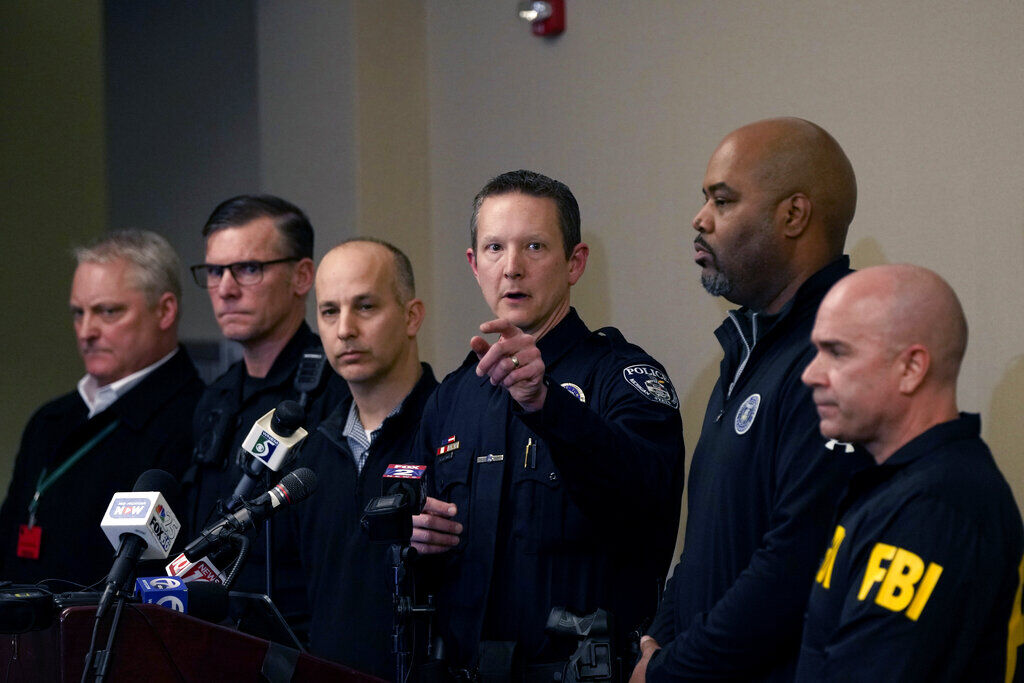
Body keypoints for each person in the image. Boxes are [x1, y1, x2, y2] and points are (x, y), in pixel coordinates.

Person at [412, 170, 686, 674]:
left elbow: (648, 501)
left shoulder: (624, 376)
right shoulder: (451, 397)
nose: (512, 268)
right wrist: (417, 539)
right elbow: (418, 546)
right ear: (474, 265)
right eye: (494, 248)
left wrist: (548, 405)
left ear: (574, 262)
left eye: (534, 246)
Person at [633, 118, 868, 682]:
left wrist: (669, 670)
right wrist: (658, 636)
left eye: (723, 199)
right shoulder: (748, 349)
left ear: (793, 215)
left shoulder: (833, 355)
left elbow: (793, 564)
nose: (700, 219)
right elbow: (706, 543)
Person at [795, 264, 1024, 682]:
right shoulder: (900, 486)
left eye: (837, 352)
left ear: (911, 368)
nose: (810, 374)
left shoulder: (936, 507)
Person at [0, 230, 203, 586]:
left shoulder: (198, 418)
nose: (86, 331)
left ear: (165, 310)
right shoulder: (49, 420)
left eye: (108, 312)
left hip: (112, 634)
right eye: (79, 313)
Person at [183, 195, 345, 628]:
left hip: (296, 644)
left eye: (248, 268)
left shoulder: (336, 391)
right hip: (212, 633)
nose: (225, 288)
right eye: (215, 271)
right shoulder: (216, 396)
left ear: (301, 276)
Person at [295, 239, 437, 678]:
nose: (345, 330)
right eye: (329, 311)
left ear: (412, 316)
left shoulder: (453, 432)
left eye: (366, 307)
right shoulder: (309, 453)